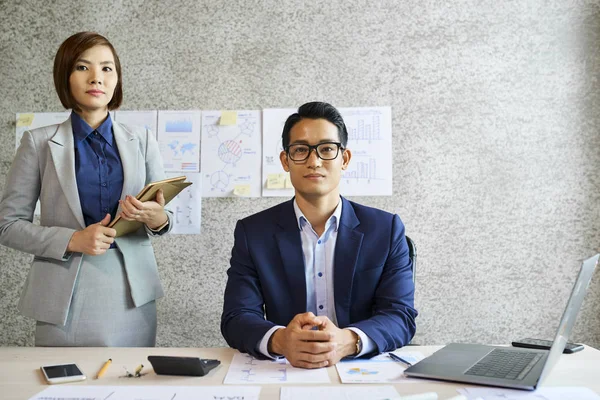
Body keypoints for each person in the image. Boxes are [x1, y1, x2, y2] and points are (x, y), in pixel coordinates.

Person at [0, 32, 173, 346]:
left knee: (130, 387)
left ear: (117, 79)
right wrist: (72, 239)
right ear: (64, 76)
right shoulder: (38, 143)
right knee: (62, 389)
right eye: (83, 67)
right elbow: (8, 226)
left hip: (132, 292)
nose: (97, 77)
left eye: (107, 69)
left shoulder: (142, 139)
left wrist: (157, 217)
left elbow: (165, 217)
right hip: (63, 296)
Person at [221, 101, 417, 368]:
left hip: (361, 368)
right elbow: (236, 317)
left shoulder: (385, 229)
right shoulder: (253, 233)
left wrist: (348, 340)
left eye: (326, 149)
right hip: (286, 369)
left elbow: (400, 316)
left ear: (344, 159)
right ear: (285, 161)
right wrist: (280, 340)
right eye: (301, 150)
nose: (314, 162)